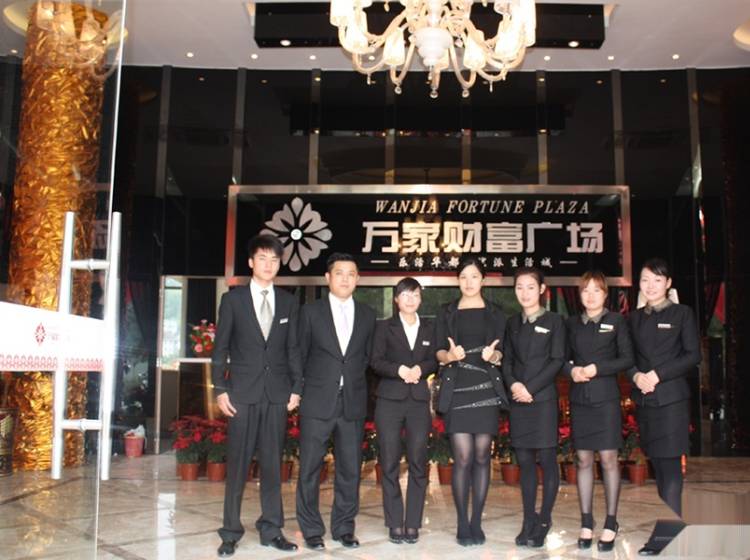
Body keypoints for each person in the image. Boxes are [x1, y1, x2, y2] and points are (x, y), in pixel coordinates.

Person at [211, 234, 302, 558]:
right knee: (237, 465)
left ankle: (271, 529)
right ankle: (230, 532)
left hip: (276, 394)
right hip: (241, 394)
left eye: (274, 260)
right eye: (262, 258)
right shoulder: (233, 300)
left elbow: (293, 349)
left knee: (273, 465)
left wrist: (296, 388)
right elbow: (220, 348)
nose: (268, 264)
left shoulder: (289, 302)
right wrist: (219, 389)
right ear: (251, 262)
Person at [295, 253, 376, 551]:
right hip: (317, 401)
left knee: (350, 469)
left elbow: (367, 358)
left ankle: (344, 527)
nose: (345, 278)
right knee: (309, 468)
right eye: (339, 273)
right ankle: (311, 529)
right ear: (328, 278)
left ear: (358, 279)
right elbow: (299, 355)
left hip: (352, 402)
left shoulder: (368, 314)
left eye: (351, 274)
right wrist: (297, 391)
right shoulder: (310, 312)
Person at [627, 258, 700, 554]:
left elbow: (693, 355)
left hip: (671, 400)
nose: (651, 286)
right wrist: (636, 376)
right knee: (658, 465)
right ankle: (672, 529)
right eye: (645, 280)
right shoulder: (633, 318)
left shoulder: (682, 313)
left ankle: (667, 535)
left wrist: (658, 375)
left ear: (668, 283)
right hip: (646, 401)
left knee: (670, 467)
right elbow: (626, 357)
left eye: (657, 280)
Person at [434, 256, 507, 546]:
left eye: (474, 276)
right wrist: (449, 356)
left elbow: (503, 352)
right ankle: (462, 523)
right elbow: (438, 351)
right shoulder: (446, 311)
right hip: (458, 389)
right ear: (457, 280)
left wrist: (495, 356)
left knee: (481, 456)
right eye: (463, 276)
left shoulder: (496, 312)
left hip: (486, 389)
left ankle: (477, 520)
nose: (469, 282)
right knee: (462, 457)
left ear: (483, 280)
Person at [564, 271, 634, 552]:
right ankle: (586, 521)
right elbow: (561, 359)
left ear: (605, 294)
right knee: (583, 460)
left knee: (608, 459)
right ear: (579, 295)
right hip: (580, 398)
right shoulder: (571, 323)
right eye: (585, 290)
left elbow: (627, 358)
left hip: (606, 399)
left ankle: (611, 521)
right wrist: (571, 371)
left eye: (596, 290)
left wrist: (598, 368)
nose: (590, 295)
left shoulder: (616, 321)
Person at [370, 277, 437, 545]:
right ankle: (395, 522)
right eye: (405, 294)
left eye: (415, 294)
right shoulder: (383, 327)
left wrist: (422, 368)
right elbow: (375, 361)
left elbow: (435, 359)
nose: (410, 299)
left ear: (421, 299)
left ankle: (413, 523)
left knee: (419, 461)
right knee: (389, 462)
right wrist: (399, 370)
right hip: (389, 400)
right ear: (396, 299)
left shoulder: (430, 328)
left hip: (418, 401)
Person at [502, 267, 565, 548]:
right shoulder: (512, 323)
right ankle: (529, 519)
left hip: (543, 401)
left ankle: (544, 520)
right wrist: (515, 385)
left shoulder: (555, 321)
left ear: (541, 289)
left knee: (547, 461)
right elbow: (507, 361)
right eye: (519, 287)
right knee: (525, 462)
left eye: (530, 287)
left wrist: (531, 388)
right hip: (519, 401)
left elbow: (557, 360)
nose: (524, 292)